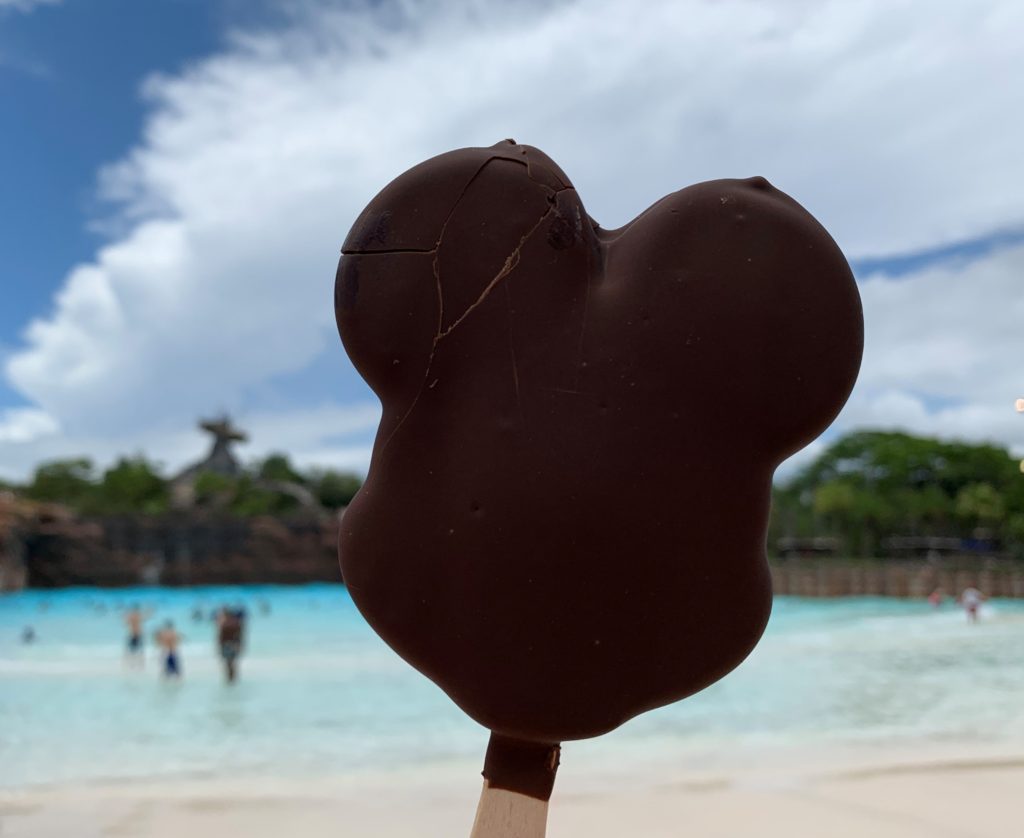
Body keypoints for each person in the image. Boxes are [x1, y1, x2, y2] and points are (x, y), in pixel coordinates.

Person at [216, 606, 246, 683]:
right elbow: (240, 636)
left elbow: (221, 637)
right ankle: (233, 678)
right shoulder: (237, 622)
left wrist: (219, 646)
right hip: (234, 644)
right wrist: (240, 645)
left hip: (226, 645)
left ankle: (230, 679)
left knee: (228, 663)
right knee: (232, 662)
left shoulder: (224, 624)